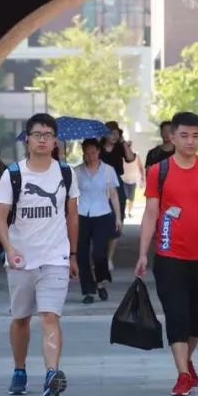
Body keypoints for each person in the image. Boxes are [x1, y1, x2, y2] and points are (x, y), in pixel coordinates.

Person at [135, 111, 198, 396]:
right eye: (184, 135)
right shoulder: (158, 172)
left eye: (196, 136)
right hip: (169, 256)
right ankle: (183, 374)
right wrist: (142, 253)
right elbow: (151, 214)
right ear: (172, 137)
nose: (190, 141)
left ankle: (186, 359)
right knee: (177, 316)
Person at [0, 113, 80, 396]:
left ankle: (52, 373)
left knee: (51, 316)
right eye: (37, 134)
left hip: (55, 257)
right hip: (21, 260)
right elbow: (0, 216)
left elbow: (72, 216)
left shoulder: (66, 174)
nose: (42, 139)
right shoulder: (13, 175)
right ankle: (19, 368)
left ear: (55, 141)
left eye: (48, 135)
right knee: (20, 319)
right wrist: (10, 247)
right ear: (27, 139)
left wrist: (74, 254)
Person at [75, 138, 122, 304]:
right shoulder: (77, 172)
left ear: (98, 152)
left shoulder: (108, 170)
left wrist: (118, 217)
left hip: (103, 213)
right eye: (87, 154)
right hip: (82, 215)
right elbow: (72, 196)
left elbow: (114, 195)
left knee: (99, 253)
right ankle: (88, 290)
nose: (91, 156)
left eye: (93, 152)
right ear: (83, 154)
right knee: (82, 253)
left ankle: (101, 283)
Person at [100, 121, 135, 270]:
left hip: (117, 184)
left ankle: (109, 258)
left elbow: (131, 158)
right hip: (100, 185)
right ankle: (100, 255)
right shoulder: (98, 147)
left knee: (116, 219)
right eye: (110, 133)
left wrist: (124, 143)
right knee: (100, 219)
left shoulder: (120, 147)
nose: (114, 136)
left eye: (116, 133)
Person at [121, 156, 142, 220]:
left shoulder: (137, 155)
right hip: (124, 180)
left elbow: (140, 166)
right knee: (124, 198)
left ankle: (129, 212)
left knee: (131, 198)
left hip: (133, 180)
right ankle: (123, 212)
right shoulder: (122, 156)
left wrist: (143, 176)